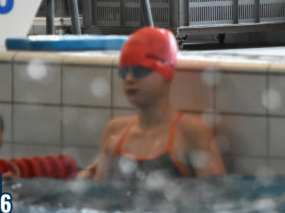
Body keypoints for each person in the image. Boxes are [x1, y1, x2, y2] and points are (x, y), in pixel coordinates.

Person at [80, 26, 225, 180]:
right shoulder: (115, 131)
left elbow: (217, 190)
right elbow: (101, 191)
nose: (129, 79)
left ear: (166, 73)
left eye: (140, 70)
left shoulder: (190, 131)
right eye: (124, 71)